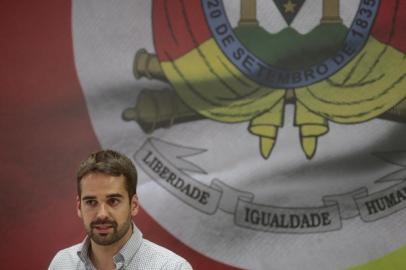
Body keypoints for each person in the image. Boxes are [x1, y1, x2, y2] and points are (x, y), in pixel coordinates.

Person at [49, 150, 193, 270]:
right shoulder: (62, 263)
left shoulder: (171, 267)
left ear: (134, 205)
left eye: (113, 201)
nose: (102, 214)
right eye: (91, 202)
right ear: (79, 207)